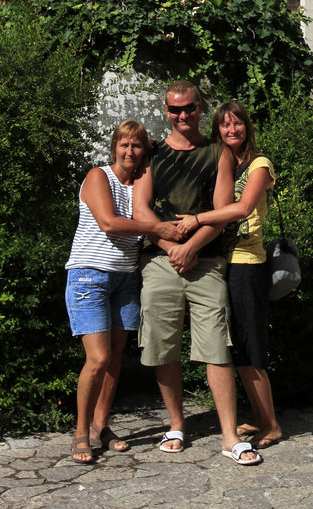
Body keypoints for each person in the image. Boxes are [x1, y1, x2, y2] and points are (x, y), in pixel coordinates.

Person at [133, 81, 262, 466]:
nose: (182, 116)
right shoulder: (152, 154)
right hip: (161, 260)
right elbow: (142, 211)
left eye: (189, 108)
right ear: (166, 111)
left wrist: (192, 247)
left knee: (216, 347)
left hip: (206, 262)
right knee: (161, 344)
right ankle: (176, 425)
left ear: (200, 108)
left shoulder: (218, 153)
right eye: (175, 110)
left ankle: (228, 436)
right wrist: (172, 247)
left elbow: (221, 212)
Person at [64, 120, 179, 465]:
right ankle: (81, 432)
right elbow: (109, 223)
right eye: (123, 145)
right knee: (97, 359)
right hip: (90, 277)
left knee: (114, 359)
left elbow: (157, 147)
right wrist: (155, 227)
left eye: (137, 146)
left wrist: (157, 145)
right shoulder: (99, 176)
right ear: (113, 147)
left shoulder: (142, 184)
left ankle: (102, 425)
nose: (129, 152)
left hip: (125, 279)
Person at [176, 100, 282, 449]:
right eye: (225, 126)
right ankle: (258, 415)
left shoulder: (259, 164)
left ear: (246, 127)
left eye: (237, 124)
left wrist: (198, 219)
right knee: (237, 345)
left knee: (251, 345)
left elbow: (242, 208)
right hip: (227, 262)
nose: (231, 130)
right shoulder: (226, 164)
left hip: (248, 262)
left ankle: (271, 425)